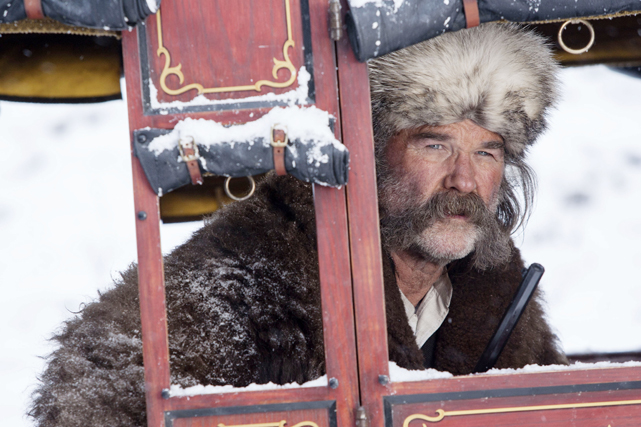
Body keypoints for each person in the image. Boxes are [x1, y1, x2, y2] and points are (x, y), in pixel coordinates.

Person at [29, 23, 567, 427]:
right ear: (372, 148)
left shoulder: (501, 301)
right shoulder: (247, 276)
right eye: (435, 145)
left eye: (488, 152)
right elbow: (100, 386)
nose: (465, 180)